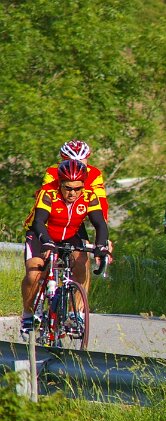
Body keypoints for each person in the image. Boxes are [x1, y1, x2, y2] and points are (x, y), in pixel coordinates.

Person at [20, 160, 110, 335]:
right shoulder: (48, 193)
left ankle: (74, 314)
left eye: (78, 188)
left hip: (69, 235)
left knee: (82, 264)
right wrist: (47, 242)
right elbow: (38, 221)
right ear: (60, 183)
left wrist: (101, 246)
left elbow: (100, 224)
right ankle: (28, 315)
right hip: (42, 234)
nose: (73, 193)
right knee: (34, 274)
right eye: (68, 188)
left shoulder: (89, 196)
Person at [40, 140, 109, 220]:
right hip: (55, 214)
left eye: (81, 161)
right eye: (72, 161)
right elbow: (45, 194)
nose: (77, 165)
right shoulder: (53, 170)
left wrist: (103, 222)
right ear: (63, 160)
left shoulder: (94, 173)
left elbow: (101, 199)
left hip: (78, 213)